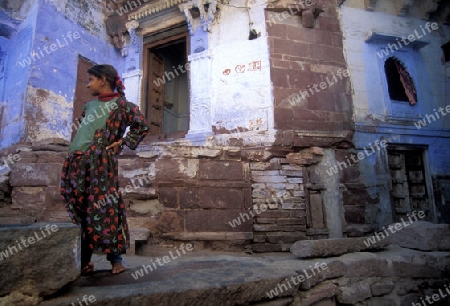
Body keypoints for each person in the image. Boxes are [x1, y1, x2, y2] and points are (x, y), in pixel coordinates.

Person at [60, 64, 149, 275]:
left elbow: (141, 126)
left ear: (103, 79)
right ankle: (85, 260)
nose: (88, 84)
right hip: (76, 161)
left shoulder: (124, 106)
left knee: (105, 208)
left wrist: (122, 142)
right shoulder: (89, 106)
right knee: (80, 211)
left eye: (91, 79)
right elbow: (84, 130)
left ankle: (115, 260)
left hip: (100, 164)